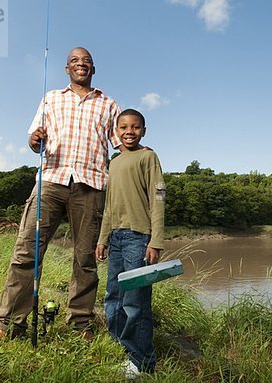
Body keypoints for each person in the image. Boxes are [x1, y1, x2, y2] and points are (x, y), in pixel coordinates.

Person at [0, 47, 121, 343]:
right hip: (51, 182)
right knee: (25, 254)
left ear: (93, 69)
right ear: (67, 69)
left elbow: (121, 141)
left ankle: (81, 322)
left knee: (85, 259)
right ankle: (8, 325)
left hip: (91, 186)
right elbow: (34, 139)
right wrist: (34, 140)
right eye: (74, 61)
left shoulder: (108, 104)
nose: (80, 64)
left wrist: (141, 151)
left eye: (86, 61)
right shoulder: (51, 99)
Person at [95, 109, 166, 378]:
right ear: (117, 131)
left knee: (136, 302)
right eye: (124, 127)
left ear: (144, 131)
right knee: (113, 297)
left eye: (135, 127)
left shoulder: (148, 157)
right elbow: (109, 206)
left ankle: (142, 361)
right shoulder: (114, 162)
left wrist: (155, 240)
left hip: (139, 239)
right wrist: (103, 239)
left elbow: (158, 200)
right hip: (116, 238)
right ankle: (121, 348)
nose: (129, 132)